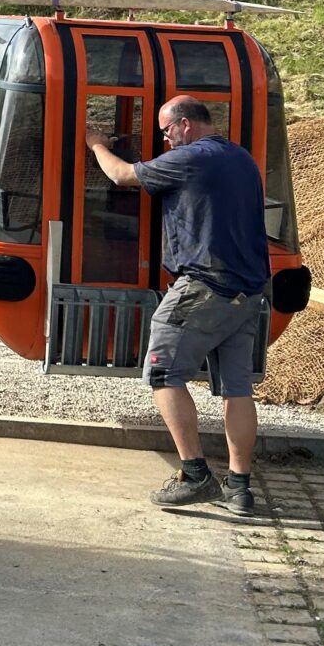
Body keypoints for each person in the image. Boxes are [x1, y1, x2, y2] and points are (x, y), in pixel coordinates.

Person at [85, 96, 271, 517]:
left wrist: (95, 143)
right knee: (237, 389)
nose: (165, 140)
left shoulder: (191, 158)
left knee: (162, 372)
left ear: (186, 125)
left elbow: (121, 175)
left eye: (166, 132)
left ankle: (194, 475)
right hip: (249, 290)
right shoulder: (239, 157)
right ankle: (239, 488)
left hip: (204, 286)